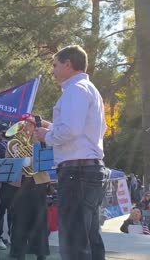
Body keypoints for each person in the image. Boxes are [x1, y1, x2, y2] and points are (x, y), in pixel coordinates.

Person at [35, 45, 108, 260]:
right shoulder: (87, 88)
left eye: (55, 65)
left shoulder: (75, 90)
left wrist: (44, 135)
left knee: (75, 241)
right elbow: (79, 130)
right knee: (89, 237)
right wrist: (47, 127)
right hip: (88, 169)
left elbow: (70, 130)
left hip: (78, 172)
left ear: (68, 64)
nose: (53, 70)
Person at [8, 113, 50, 260]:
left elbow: (47, 160)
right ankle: (17, 253)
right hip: (19, 184)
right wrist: (17, 157)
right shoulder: (13, 142)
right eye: (23, 124)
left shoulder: (41, 140)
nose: (26, 127)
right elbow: (9, 163)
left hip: (38, 183)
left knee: (39, 220)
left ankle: (41, 253)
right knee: (19, 221)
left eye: (30, 124)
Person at [0, 123, 16, 250]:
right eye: (3, 132)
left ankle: (5, 237)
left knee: (6, 211)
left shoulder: (6, 143)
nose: (6, 134)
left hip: (8, 181)